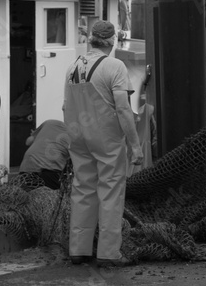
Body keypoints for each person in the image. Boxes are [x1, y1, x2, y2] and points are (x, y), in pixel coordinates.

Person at [63, 20, 143, 267]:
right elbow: (122, 108)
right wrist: (135, 145)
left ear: (90, 40)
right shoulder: (114, 67)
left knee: (83, 188)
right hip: (105, 138)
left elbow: (66, 106)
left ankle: (79, 250)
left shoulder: (72, 67)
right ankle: (109, 253)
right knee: (110, 192)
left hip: (77, 135)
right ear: (112, 41)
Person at [18, 119, 71, 190]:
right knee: (53, 197)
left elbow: (28, 141)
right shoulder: (76, 136)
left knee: (27, 197)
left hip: (27, 166)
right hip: (50, 171)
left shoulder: (50, 122)